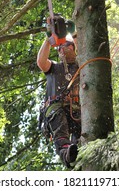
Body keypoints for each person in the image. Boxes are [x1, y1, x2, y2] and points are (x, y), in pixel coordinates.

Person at [37, 31, 81, 168]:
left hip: (76, 113)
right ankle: (67, 154)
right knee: (61, 128)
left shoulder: (82, 68)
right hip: (57, 110)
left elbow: (85, 54)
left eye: (67, 45)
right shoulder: (54, 67)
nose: (63, 49)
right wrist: (49, 40)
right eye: (60, 47)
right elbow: (41, 61)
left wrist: (75, 36)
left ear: (73, 47)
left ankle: (80, 149)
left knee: (82, 132)